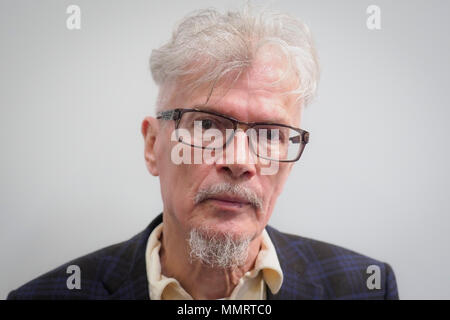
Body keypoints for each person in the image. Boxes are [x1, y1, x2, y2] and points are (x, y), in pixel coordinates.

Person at [8, 6, 398, 300]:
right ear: (152, 146)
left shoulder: (363, 287)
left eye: (270, 134)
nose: (240, 161)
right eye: (208, 126)